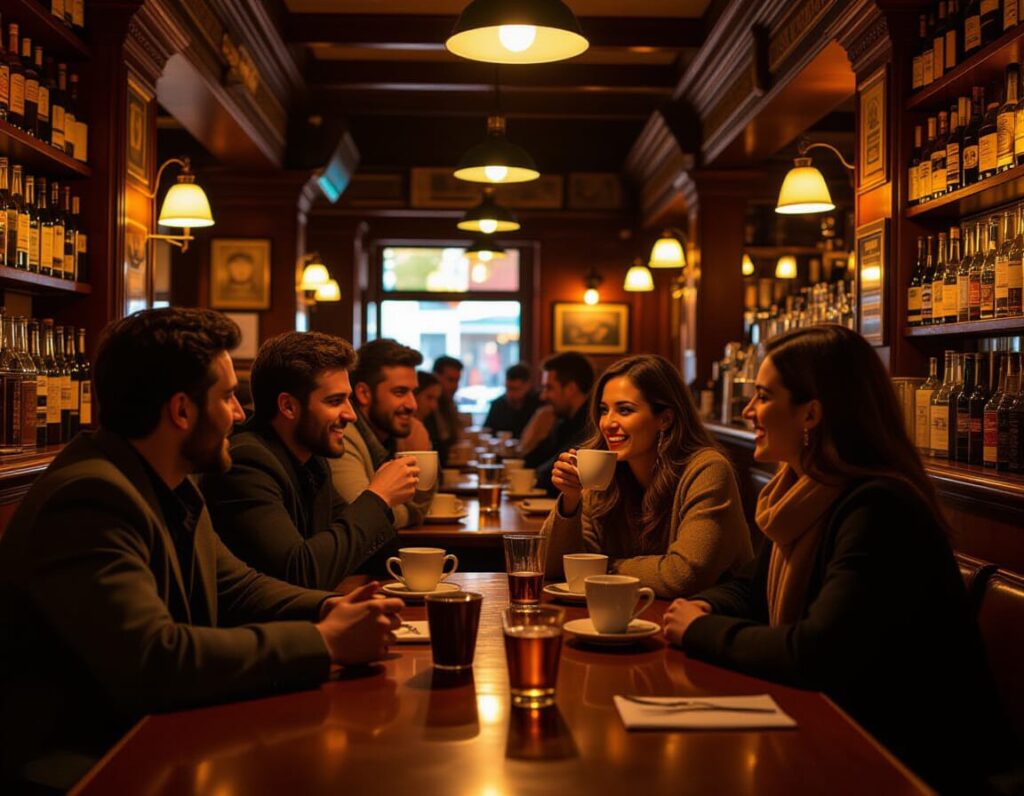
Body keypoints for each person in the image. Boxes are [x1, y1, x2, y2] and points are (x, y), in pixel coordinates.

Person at [0, 309, 403, 792]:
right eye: (228, 396)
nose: (240, 414)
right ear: (182, 411)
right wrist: (325, 642)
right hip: (82, 764)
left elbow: (237, 586)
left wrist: (332, 608)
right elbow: (155, 660)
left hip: (147, 736)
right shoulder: (90, 498)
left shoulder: (169, 483)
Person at [662, 325, 1013, 794]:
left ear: (811, 414)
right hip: (840, 728)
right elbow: (748, 588)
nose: (747, 411)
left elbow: (817, 653)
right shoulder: (801, 493)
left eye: (763, 397)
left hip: (909, 759)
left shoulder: (879, 507)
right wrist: (704, 606)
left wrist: (698, 630)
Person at [200, 332, 419, 590]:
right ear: (288, 406)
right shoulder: (246, 463)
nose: (350, 415)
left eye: (348, 400)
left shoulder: (313, 460)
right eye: (335, 401)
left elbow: (370, 549)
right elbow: (301, 572)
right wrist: (379, 496)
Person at [542, 354, 752, 599]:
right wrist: (570, 501)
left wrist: (602, 567)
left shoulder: (707, 470)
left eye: (624, 410)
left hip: (710, 617)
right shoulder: (607, 470)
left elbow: (684, 575)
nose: (607, 423)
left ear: (665, 419)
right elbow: (552, 566)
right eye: (604, 410)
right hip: (632, 611)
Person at [331, 339, 435, 528]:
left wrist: (421, 453)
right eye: (400, 392)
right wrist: (414, 513)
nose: (413, 405)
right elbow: (366, 516)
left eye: (413, 392)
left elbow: (423, 500)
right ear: (364, 393)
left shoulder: (395, 437)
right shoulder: (341, 436)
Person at [525, 352, 594, 494]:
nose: (543, 396)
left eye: (549, 388)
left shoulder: (591, 424)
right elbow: (532, 460)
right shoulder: (563, 422)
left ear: (571, 389)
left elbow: (550, 474)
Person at [483, 362, 540, 438]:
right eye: (508, 388)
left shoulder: (538, 405)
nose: (509, 394)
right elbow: (487, 431)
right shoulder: (498, 405)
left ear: (527, 385)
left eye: (514, 389)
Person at [425, 354, 463, 465]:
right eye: (450, 380)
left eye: (457, 381)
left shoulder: (449, 405)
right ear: (435, 377)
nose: (455, 386)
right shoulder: (424, 407)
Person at [398, 370, 439, 453]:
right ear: (415, 394)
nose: (434, 406)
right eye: (429, 398)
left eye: (436, 399)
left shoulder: (429, 423)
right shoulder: (413, 429)